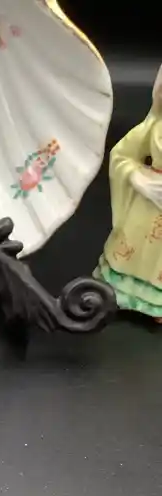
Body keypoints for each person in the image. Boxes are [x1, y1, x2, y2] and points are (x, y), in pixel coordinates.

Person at [94, 65, 162, 321]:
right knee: (134, 251)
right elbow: (121, 155)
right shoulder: (154, 128)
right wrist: (138, 178)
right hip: (148, 203)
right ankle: (121, 293)